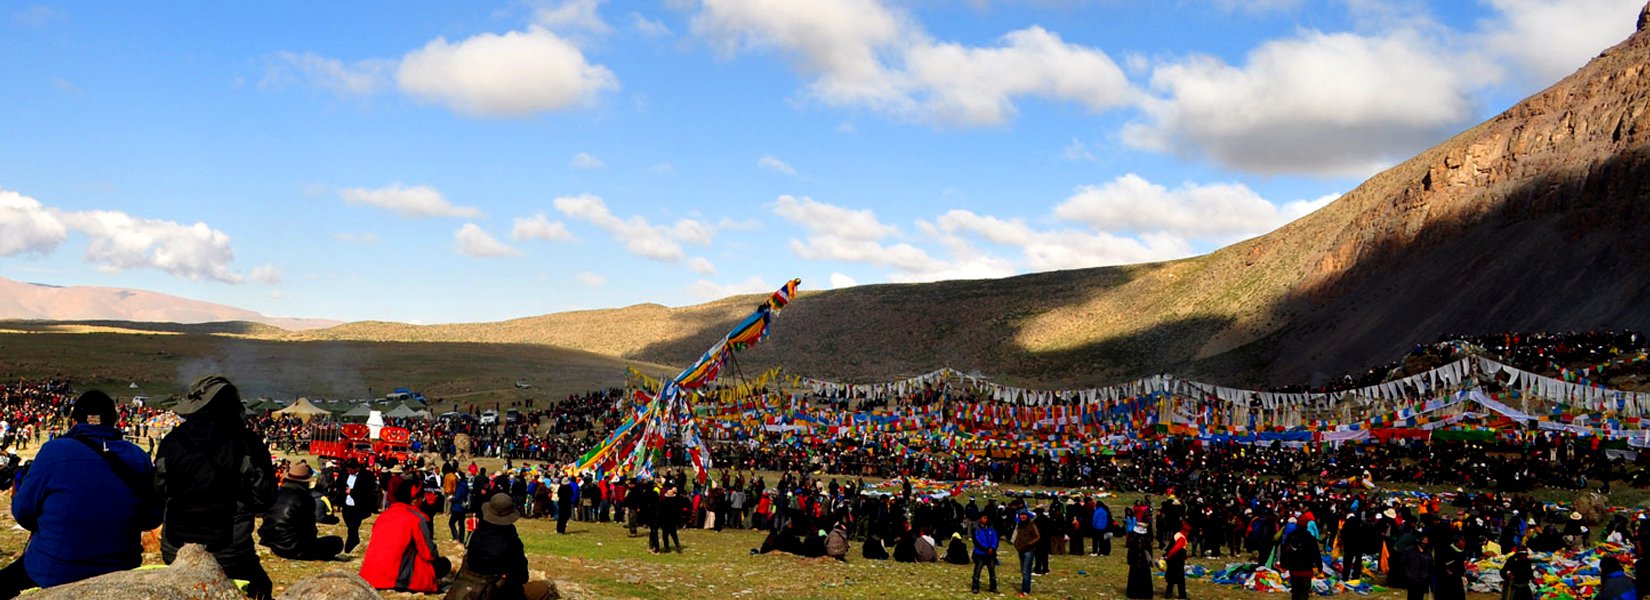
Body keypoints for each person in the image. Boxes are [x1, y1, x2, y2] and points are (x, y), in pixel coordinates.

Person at [0, 391, 162, 598]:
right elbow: (150, 519)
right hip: (120, 568)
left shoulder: (53, 451)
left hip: (54, 570)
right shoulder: (138, 456)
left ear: (74, 420)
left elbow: (23, 513)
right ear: (115, 420)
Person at [155, 375, 276, 600]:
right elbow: (264, 500)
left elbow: (158, 492)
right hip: (229, 551)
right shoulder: (246, 444)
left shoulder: (171, 441)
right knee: (261, 588)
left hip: (175, 548)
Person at [452, 494, 555, 600]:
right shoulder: (511, 542)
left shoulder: (475, 535)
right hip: (496, 593)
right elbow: (522, 576)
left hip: (470, 588)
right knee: (543, 589)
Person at [360, 479, 450, 593]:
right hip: (397, 578)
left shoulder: (383, 516)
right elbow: (429, 554)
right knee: (443, 564)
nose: (422, 501)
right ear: (414, 500)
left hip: (369, 576)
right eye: (421, 497)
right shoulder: (416, 519)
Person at [257, 462, 342, 560]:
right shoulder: (306, 498)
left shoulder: (276, 493)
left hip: (268, 540)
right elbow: (309, 529)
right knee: (337, 542)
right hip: (293, 548)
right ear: (306, 481)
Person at [335, 457, 378, 553]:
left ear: (357, 468)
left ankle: (350, 544)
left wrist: (353, 492)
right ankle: (355, 539)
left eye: (351, 470)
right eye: (348, 470)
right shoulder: (344, 473)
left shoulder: (367, 475)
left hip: (359, 505)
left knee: (354, 526)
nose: (349, 472)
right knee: (349, 524)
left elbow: (368, 491)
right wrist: (343, 490)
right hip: (346, 504)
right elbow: (338, 484)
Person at [1281, 520, 1321, 600]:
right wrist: (1319, 566)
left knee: (1295, 592)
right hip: (1306, 570)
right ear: (1306, 526)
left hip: (1294, 570)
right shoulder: (1310, 538)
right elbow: (1316, 554)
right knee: (1304, 592)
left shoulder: (1291, 536)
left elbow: (1284, 551)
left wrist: (1284, 563)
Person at [1012, 510, 1040, 597]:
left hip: (1028, 550)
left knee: (1026, 570)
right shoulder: (1019, 525)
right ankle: (1025, 588)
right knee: (1023, 570)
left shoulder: (1031, 525)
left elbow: (1038, 536)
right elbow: (1016, 536)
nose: (1023, 517)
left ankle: (1025, 590)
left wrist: (1029, 544)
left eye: (1024, 515)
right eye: (1021, 515)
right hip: (1020, 549)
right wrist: (1016, 544)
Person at [972, 515, 1000, 595]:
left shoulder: (991, 529)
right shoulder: (976, 529)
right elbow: (976, 541)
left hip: (990, 553)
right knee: (977, 570)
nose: (985, 519)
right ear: (980, 518)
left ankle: (993, 587)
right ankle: (975, 586)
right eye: (983, 518)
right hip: (979, 553)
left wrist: (992, 548)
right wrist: (986, 549)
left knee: (992, 570)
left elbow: (995, 539)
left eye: (986, 518)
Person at [655, 485, 687, 554]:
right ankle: (678, 547)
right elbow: (681, 501)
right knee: (674, 535)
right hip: (672, 521)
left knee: (665, 535)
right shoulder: (675, 502)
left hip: (665, 521)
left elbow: (660, 513)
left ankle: (667, 548)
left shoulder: (663, 503)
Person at [1127, 522, 1155, 600]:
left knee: (1135, 577)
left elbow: (1130, 551)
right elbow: (1149, 552)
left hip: (1135, 561)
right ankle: (1145, 594)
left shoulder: (1133, 539)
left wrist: (1129, 560)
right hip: (1144, 562)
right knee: (1144, 578)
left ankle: (1134, 593)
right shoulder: (1146, 540)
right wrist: (1150, 561)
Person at [1165, 522, 1191, 600]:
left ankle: (1168, 593)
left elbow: (1171, 547)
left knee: (1171, 578)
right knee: (1180, 579)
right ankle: (1182, 595)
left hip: (1172, 560)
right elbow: (1175, 549)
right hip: (1177, 560)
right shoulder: (1182, 538)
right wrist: (1169, 556)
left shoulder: (1176, 534)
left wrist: (1167, 557)